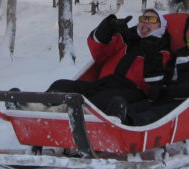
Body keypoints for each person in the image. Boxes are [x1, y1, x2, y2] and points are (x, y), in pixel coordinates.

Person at [29, 8, 173, 119]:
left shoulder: (164, 51)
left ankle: (67, 114)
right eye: (143, 18)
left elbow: (156, 85)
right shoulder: (125, 41)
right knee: (62, 85)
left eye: (152, 20)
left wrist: (152, 53)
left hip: (132, 91)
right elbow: (98, 51)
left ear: (161, 26)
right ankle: (37, 107)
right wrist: (108, 28)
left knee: (103, 99)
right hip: (104, 84)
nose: (146, 21)